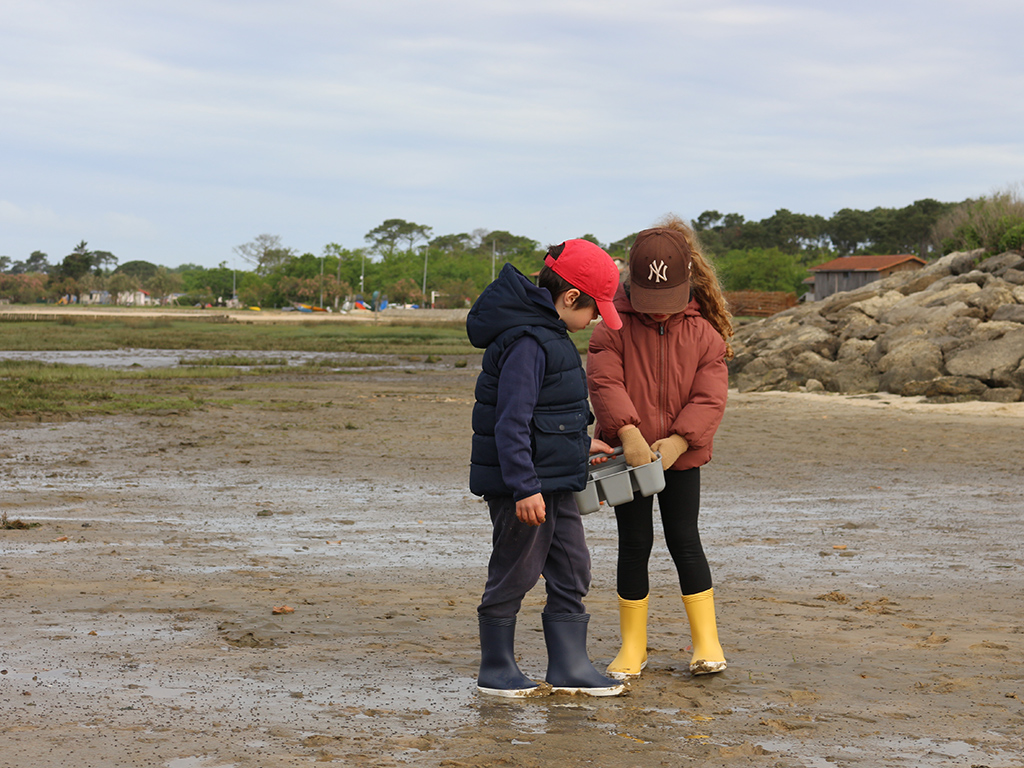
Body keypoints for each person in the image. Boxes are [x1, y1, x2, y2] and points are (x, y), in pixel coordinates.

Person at [466, 239, 627, 698]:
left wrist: (580, 443)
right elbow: (511, 422)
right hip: (526, 488)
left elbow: (551, 414)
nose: (596, 320)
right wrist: (523, 488)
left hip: (556, 481)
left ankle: (569, 665)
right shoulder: (527, 342)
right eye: (594, 310)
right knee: (515, 569)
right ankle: (496, 668)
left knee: (573, 567)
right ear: (571, 297)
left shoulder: (550, 334)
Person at [586, 215, 734, 679]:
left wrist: (679, 441)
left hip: (680, 460)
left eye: (668, 304)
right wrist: (627, 432)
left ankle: (707, 642)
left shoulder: (706, 335)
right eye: (650, 304)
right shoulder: (610, 328)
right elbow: (604, 380)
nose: (659, 313)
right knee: (634, 544)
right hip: (626, 462)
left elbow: (710, 397)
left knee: (685, 541)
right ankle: (634, 647)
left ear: (688, 283)